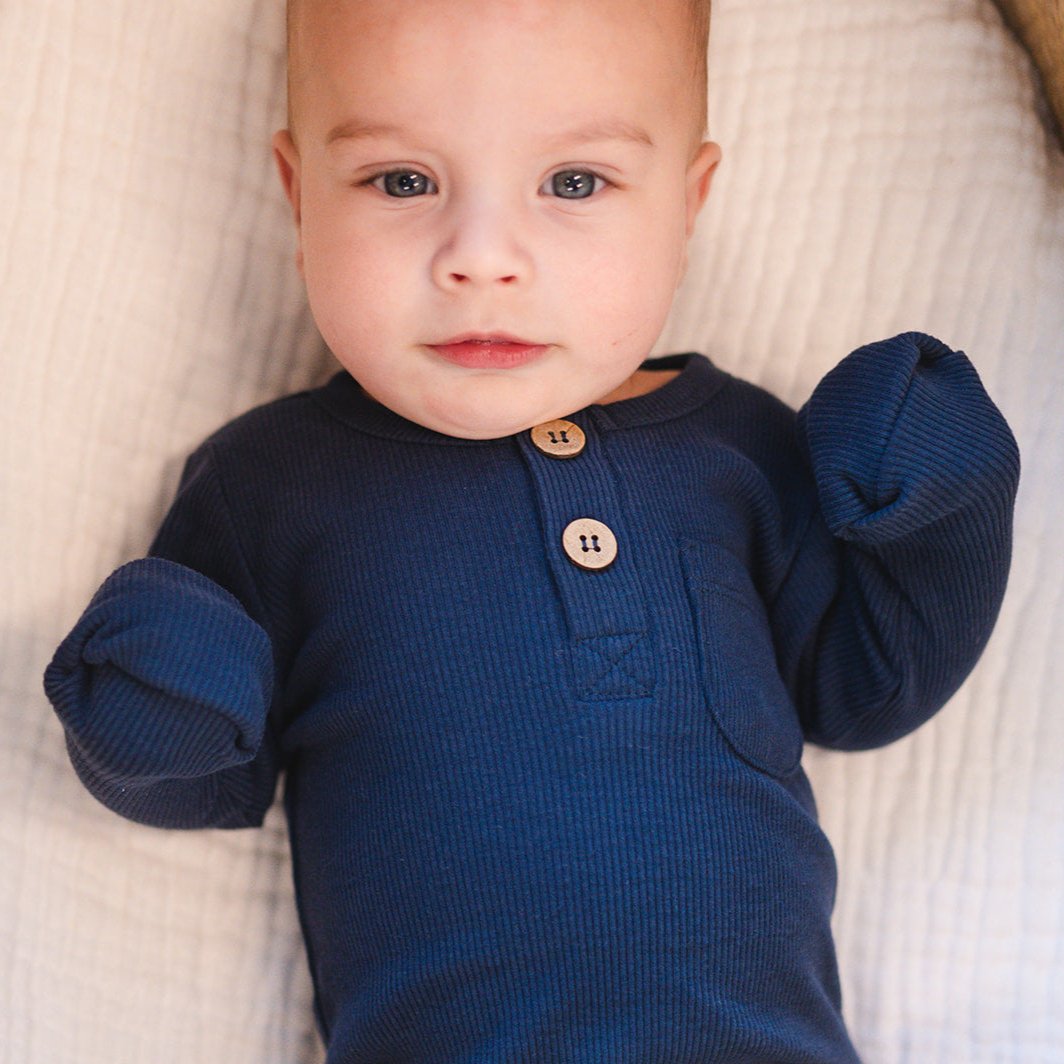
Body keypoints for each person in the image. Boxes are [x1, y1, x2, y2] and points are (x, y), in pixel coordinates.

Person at [43, 0, 1020, 1059]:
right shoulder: (270, 484)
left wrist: (941, 500)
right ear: (298, 195)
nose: (481, 257)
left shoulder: (739, 448)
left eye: (573, 182)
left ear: (685, 204)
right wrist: (156, 687)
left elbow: (862, 685)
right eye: (402, 181)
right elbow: (207, 781)